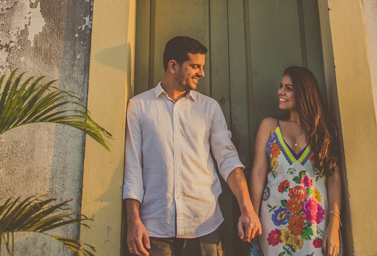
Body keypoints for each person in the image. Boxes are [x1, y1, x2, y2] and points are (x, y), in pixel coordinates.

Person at [123, 35, 261, 256]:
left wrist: (247, 209)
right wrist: (133, 221)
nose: (201, 73)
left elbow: (228, 160)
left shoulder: (210, 108)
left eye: (202, 67)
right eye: (195, 66)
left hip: (204, 226)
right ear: (173, 66)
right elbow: (132, 168)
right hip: (154, 230)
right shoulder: (139, 107)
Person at [249, 66, 343, 256]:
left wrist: (333, 226)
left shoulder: (323, 130)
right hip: (275, 227)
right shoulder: (269, 126)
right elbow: (258, 173)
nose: (280, 92)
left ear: (304, 93)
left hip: (317, 225)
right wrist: (251, 214)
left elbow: (334, 178)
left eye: (288, 88)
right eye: (281, 86)